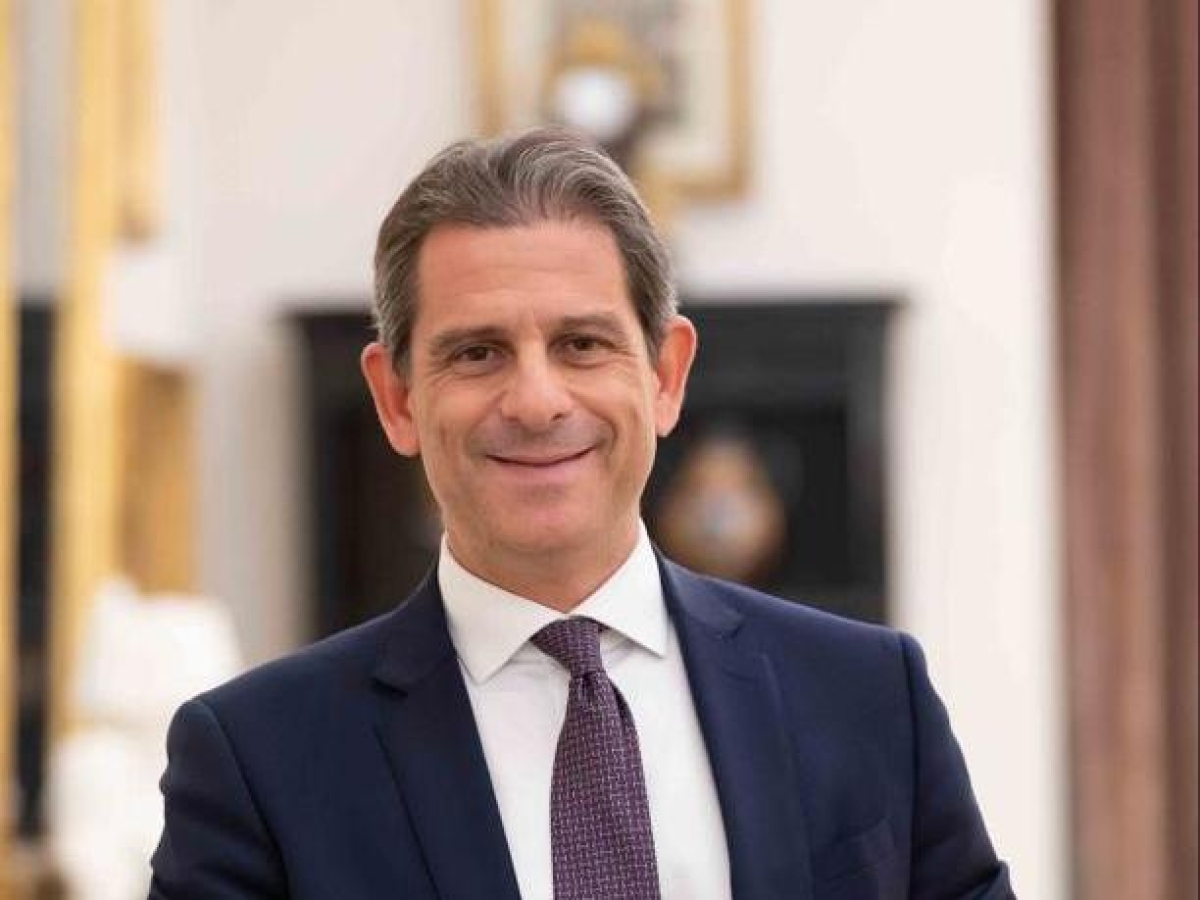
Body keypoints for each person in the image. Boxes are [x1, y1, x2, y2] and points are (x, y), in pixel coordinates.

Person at [149, 127, 1013, 899]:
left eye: (582, 344)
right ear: (397, 399)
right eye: (478, 352)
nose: (536, 400)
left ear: (666, 375)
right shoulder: (258, 762)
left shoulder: (869, 698)